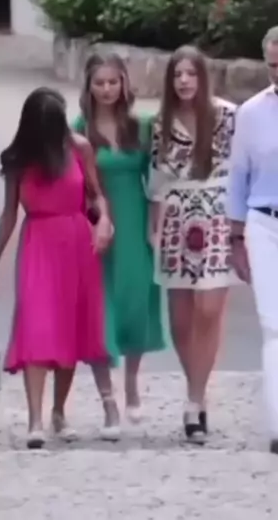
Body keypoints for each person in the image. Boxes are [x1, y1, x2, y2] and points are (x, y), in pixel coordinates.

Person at [0, 87, 117, 449]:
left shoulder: (79, 148)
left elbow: (95, 194)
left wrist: (104, 220)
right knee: (37, 324)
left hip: (76, 240)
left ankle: (58, 411)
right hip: (38, 242)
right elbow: (9, 214)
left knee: (68, 326)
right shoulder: (18, 160)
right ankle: (35, 420)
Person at [69, 52, 165, 422]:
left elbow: (156, 182)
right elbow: (74, 184)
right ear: (89, 87)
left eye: (113, 82)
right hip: (95, 226)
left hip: (135, 219)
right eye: (100, 83)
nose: (107, 89)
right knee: (99, 309)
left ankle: (132, 383)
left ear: (124, 84)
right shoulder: (79, 129)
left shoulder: (141, 127)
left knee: (135, 300)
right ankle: (107, 398)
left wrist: (154, 226)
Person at [149, 45, 237, 445]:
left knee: (209, 309)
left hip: (218, 212)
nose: (184, 81)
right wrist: (154, 226)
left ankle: (193, 401)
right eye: (177, 74)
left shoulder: (228, 117)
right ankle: (196, 390)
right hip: (176, 217)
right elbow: (156, 180)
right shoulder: (160, 123)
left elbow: (246, 168)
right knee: (181, 321)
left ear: (203, 77)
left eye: (191, 73)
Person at [226, 26, 278, 455]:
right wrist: (235, 235)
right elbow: (238, 174)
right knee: (273, 326)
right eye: (274, 65)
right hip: (265, 224)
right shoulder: (251, 113)